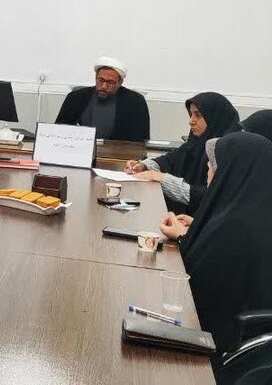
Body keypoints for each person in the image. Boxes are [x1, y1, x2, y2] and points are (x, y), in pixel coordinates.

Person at [158, 133, 272, 354]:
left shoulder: (236, 226)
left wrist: (183, 237)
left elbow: (198, 278)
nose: (207, 172)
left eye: (212, 165)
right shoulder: (253, 212)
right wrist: (195, 227)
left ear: (232, 172)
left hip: (218, 345)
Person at [126, 92, 240, 214]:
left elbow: (208, 196)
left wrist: (162, 178)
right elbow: (169, 160)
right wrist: (144, 165)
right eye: (191, 115)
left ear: (215, 118)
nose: (191, 121)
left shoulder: (225, 152)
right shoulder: (195, 143)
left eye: (198, 115)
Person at [55, 56, 150, 141]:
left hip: (119, 153)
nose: (104, 86)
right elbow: (58, 131)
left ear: (120, 82)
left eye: (110, 82)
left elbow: (141, 141)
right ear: (96, 77)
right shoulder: (75, 97)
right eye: (101, 80)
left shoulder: (136, 102)